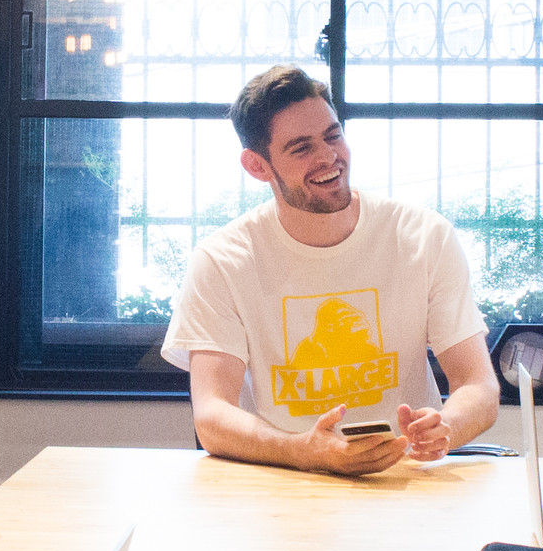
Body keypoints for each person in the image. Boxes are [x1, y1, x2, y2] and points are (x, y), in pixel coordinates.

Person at [161, 65, 499, 475]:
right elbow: (212, 415)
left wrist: (446, 426)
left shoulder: (423, 236)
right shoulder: (221, 260)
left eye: (333, 136)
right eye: (301, 148)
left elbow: (478, 386)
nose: (328, 157)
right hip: (283, 480)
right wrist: (303, 451)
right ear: (257, 166)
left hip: (406, 478)